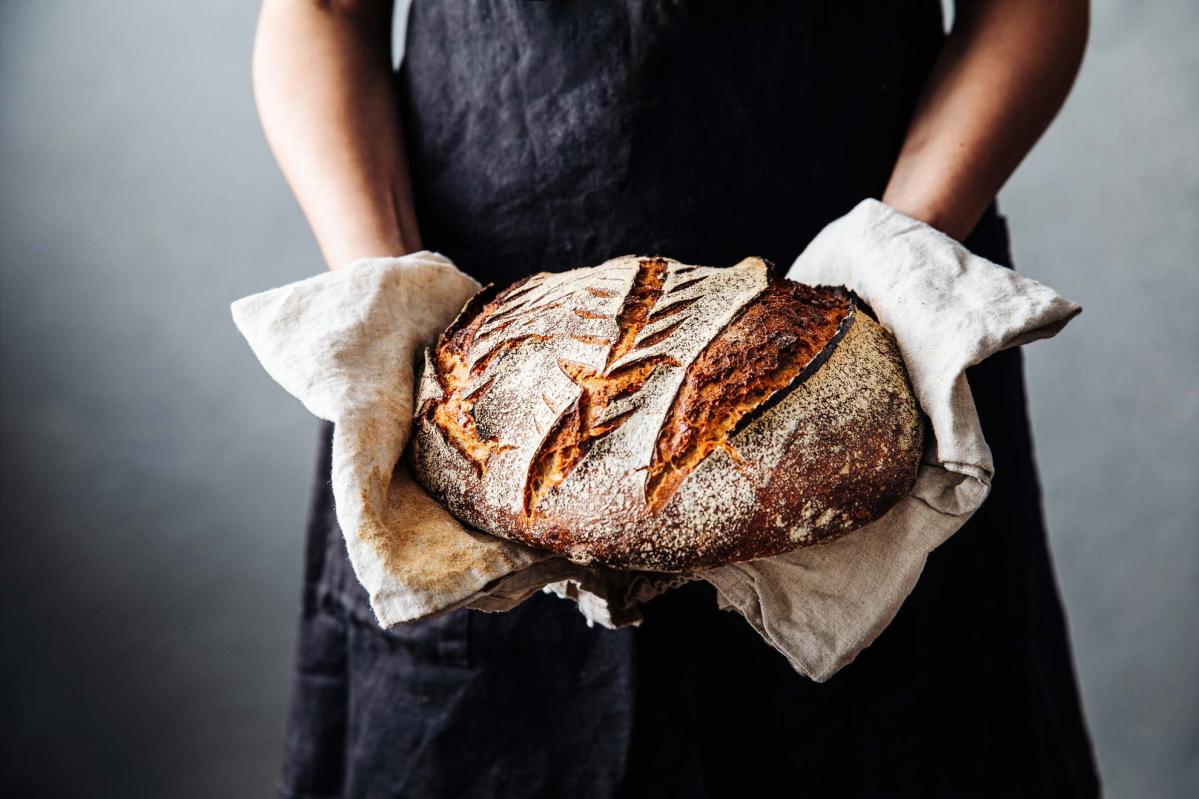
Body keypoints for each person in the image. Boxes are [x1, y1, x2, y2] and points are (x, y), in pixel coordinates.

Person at [252, 1, 1099, 796]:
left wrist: (897, 254)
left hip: (876, 336)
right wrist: (400, 300)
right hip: (482, 382)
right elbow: (324, 9)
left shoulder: (879, 316)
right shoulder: (452, 379)